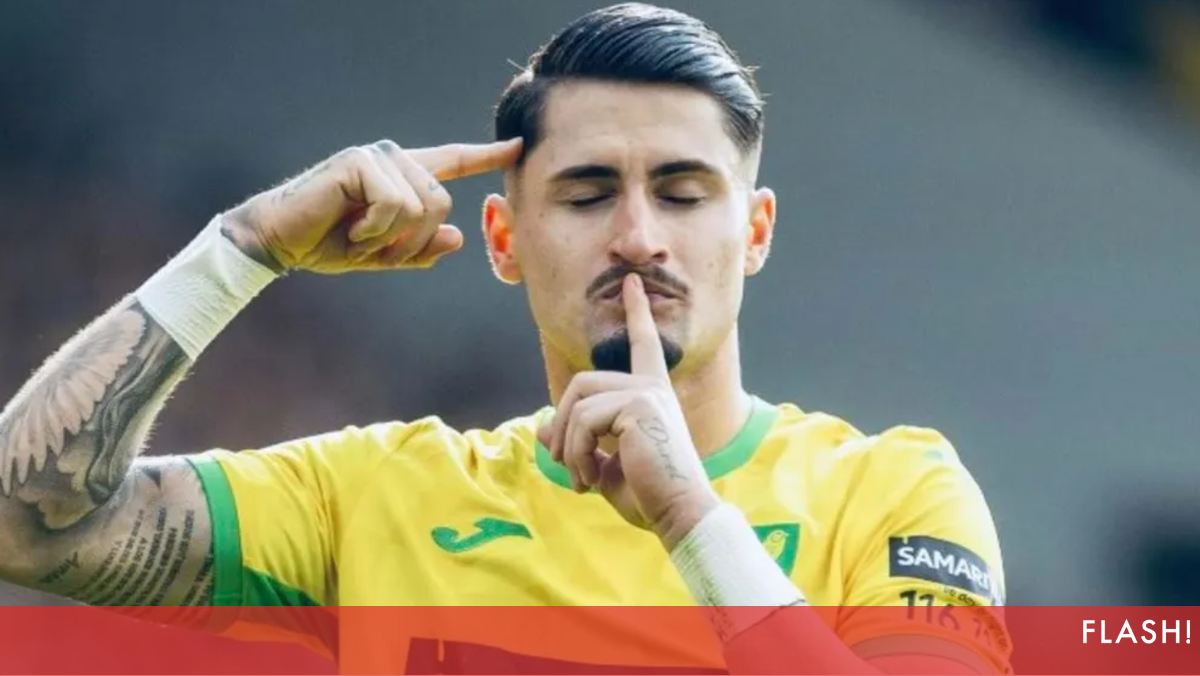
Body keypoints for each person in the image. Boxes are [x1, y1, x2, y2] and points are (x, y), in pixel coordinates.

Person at [0, 3, 1011, 673]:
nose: (637, 236)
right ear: (503, 239)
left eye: (682, 192)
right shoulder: (381, 498)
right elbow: (26, 525)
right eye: (586, 193)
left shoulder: (889, 494)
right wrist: (241, 248)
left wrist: (692, 522)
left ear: (754, 233)